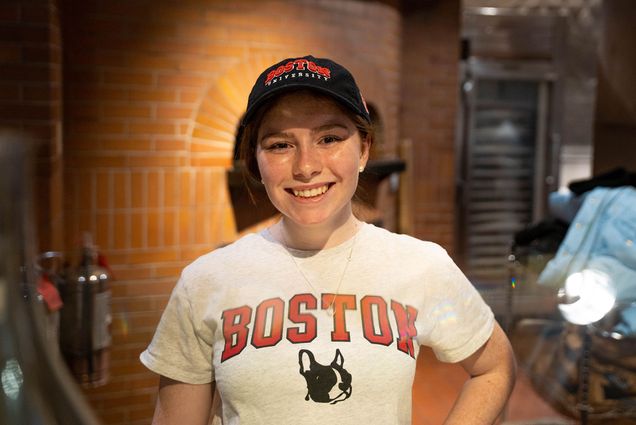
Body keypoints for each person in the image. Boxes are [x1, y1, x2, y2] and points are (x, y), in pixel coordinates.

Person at [140, 55, 516, 424]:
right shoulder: (206, 281)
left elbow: (494, 367)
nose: (306, 167)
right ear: (256, 162)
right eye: (280, 145)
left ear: (364, 149)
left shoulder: (420, 266)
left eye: (329, 138)